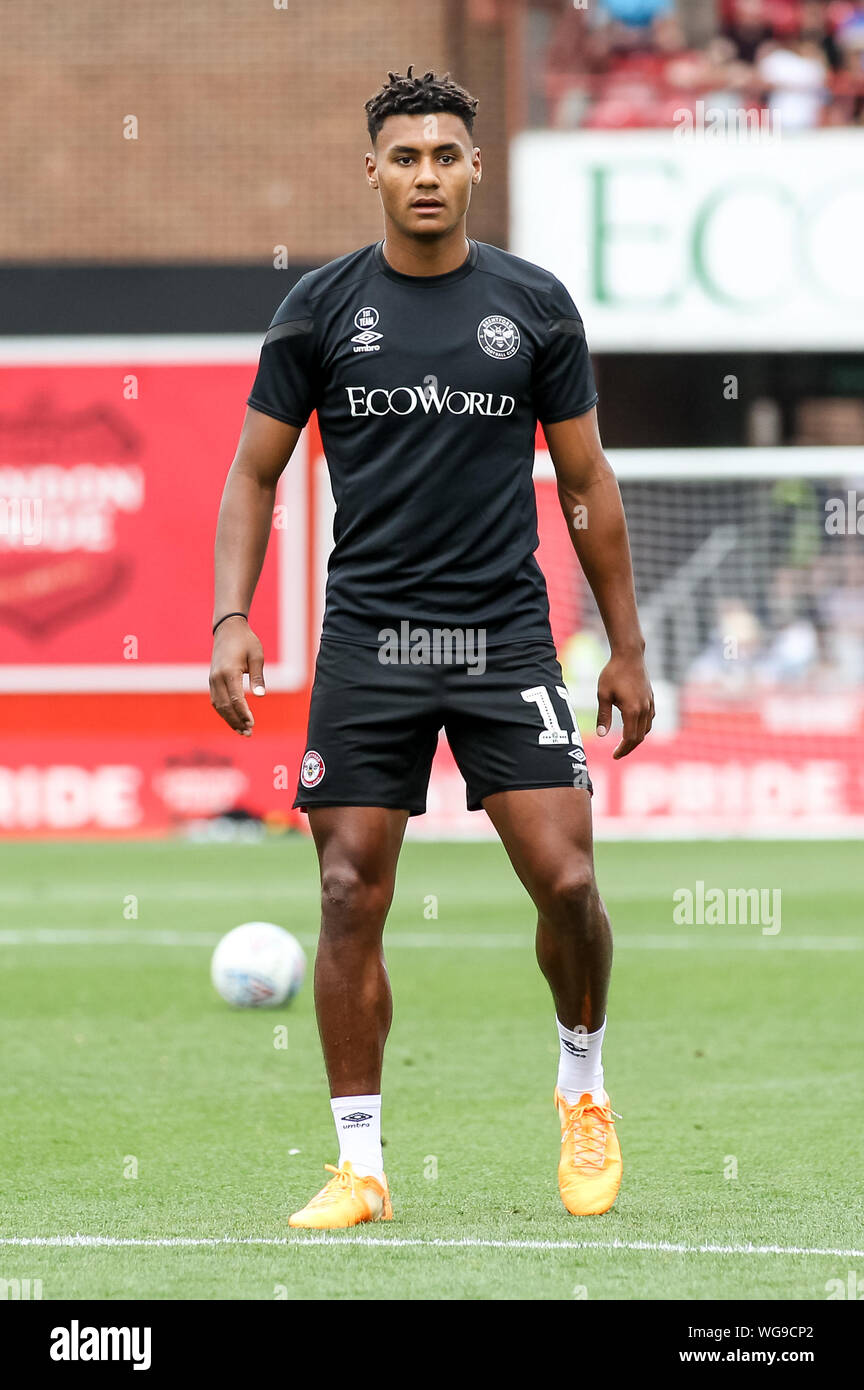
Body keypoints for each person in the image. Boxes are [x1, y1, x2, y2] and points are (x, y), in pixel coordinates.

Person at [209, 68, 654, 1229]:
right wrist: (230, 615)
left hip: (506, 636)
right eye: (404, 157)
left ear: (473, 169)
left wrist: (624, 643)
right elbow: (254, 473)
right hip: (369, 640)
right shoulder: (316, 311)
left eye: (444, 156)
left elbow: (586, 480)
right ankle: (361, 1165)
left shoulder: (536, 307)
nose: (425, 175)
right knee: (350, 889)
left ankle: (584, 1086)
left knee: (567, 880)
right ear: (373, 171)